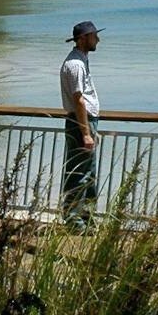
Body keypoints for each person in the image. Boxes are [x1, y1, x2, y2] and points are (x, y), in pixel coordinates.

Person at [59, 19, 103, 228]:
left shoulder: (81, 60)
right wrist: (86, 133)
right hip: (80, 123)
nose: (98, 39)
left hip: (82, 121)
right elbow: (78, 99)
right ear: (83, 38)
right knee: (80, 172)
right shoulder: (75, 65)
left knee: (87, 172)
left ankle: (85, 219)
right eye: (94, 36)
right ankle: (74, 221)